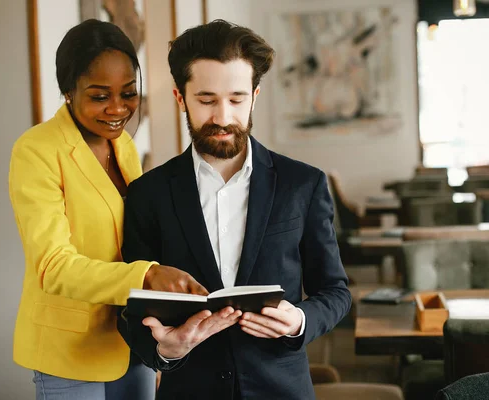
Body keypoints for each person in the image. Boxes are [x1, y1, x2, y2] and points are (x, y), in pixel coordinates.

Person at [118, 19, 352, 399]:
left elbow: (335, 291)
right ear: (181, 99)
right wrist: (162, 350)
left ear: (255, 96)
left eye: (237, 99)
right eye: (207, 100)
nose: (223, 117)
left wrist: (300, 320)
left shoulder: (302, 184)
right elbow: (128, 307)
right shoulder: (148, 194)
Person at [9, 19, 207, 400]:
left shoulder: (123, 146)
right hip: (70, 349)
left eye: (128, 93)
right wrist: (147, 276)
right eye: (100, 96)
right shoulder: (36, 151)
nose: (118, 109)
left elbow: (134, 236)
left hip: (130, 339)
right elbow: (53, 267)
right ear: (68, 90)